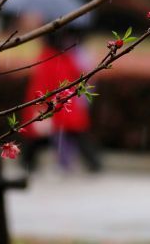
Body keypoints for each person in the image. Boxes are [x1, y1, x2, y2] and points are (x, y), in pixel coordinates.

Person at [20, 31, 102, 173]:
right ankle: (93, 163)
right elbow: (79, 74)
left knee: (38, 138)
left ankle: (28, 163)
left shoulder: (46, 58)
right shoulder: (65, 57)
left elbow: (39, 85)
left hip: (52, 104)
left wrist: (38, 107)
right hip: (66, 104)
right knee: (76, 135)